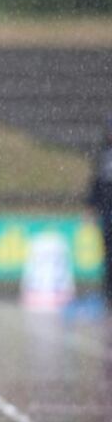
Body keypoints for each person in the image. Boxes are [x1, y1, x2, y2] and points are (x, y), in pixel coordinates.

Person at [87, 116, 112, 313]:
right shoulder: (103, 155)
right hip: (107, 214)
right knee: (108, 256)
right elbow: (95, 185)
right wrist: (90, 208)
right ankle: (107, 295)